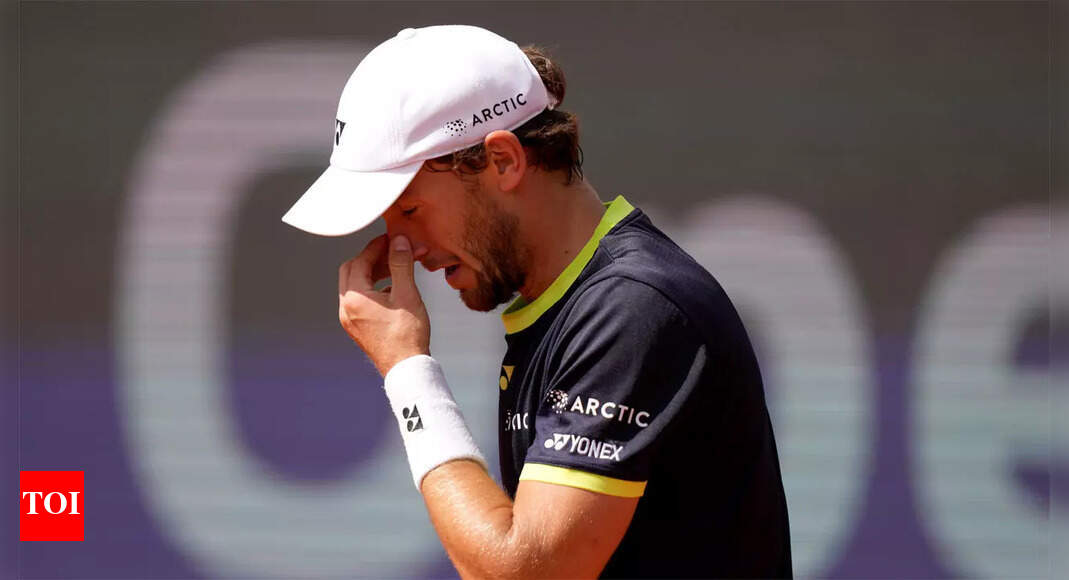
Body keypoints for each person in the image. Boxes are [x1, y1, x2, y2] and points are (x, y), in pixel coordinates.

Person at [282, 24, 791, 579]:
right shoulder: (580, 308)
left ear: (503, 160)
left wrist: (406, 370)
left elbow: (524, 572)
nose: (404, 247)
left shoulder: (632, 309)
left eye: (409, 209)